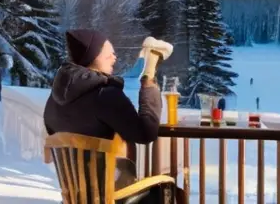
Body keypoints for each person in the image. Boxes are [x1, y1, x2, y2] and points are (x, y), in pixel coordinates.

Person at [43, 29, 181, 203]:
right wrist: (149, 78)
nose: (114, 57)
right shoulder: (104, 94)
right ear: (94, 56)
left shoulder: (54, 100)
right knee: (168, 187)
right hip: (111, 198)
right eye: (109, 54)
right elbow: (146, 132)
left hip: (76, 198)